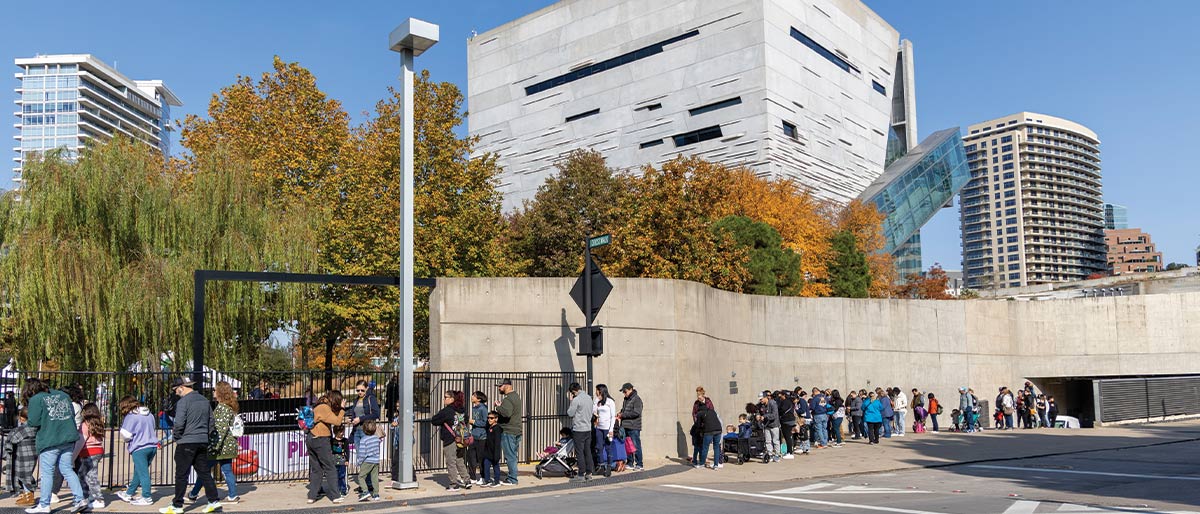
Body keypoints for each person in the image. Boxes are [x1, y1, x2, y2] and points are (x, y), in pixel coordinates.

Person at [23, 378, 86, 514]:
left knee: (47, 473)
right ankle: (80, 498)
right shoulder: (63, 395)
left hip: (49, 439)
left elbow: (33, 421)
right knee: (67, 469)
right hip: (68, 437)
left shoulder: (36, 399)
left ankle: (44, 504)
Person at [160, 377, 221, 514]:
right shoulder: (205, 401)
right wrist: (206, 435)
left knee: (181, 474)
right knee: (204, 472)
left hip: (186, 441)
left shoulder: (183, 402)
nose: (175, 393)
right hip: (202, 441)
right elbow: (211, 422)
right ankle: (214, 501)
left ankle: (177, 505)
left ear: (181, 387)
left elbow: (179, 423)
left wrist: (177, 437)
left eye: (176, 390)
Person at [188, 381, 240, 503]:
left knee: (204, 470)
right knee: (227, 470)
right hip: (228, 445)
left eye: (215, 390)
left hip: (219, 446)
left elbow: (220, 430)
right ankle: (233, 494)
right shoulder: (230, 407)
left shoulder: (222, 408)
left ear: (220, 392)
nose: (213, 392)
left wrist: (214, 445)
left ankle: (193, 494)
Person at [116, 396, 157, 506]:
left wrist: (129, 440)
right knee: (139, 472)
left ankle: (147, 497)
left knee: (143, 473)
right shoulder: (150, 415)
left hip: (139, 448)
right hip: (152, 446)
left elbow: (125, 435)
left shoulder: (131, 416)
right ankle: (129, 493)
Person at [305, 390, 345, 504]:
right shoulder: (324, 408)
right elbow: (337, 422)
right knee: (330, 467)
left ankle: (312, 496)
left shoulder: (319, 405)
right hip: (321, 439)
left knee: (316, 469)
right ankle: (336, 496)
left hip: (311, 438)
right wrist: (342, 409)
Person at [431, 390, 471, 491]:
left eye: (446, 397)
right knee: (460, 460)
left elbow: (434, 420)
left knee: (451, 462)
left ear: (452, 399)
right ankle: (467, 481)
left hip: (450, 439)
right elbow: (466, 420)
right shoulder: (462, 410)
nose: (444, 399)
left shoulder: (446, 411)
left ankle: (454, 484)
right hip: (461, 439)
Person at [76, 403, 106, 510]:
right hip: (98, 450)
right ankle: (88, 496)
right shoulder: (98, 423)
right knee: (84, 474)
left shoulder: (85, 425)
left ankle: (98, 499)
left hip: (88, 452)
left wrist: (74, 455)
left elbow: (81, 441)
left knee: (89, 476)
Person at [494, 379, 522, 485]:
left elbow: (506, 413)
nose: (499, 388)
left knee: (510, 456)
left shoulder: (508, 399)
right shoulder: (516, 396)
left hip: (508, 431)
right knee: (513, 455)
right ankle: (512, 476)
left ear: (507, 386)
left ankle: (512, 479)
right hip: (516, 430)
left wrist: (498, 407)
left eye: (500, 386)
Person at [9, 408, 38, 507]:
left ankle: (29, 496)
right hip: (33, 453)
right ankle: (27, 494)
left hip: (23, 454)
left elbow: (13, 439)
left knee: (24, 474)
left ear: (21, 418)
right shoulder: (36, 427)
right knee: (28, 473)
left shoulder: (22, 429)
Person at [565, 383, 594, 482]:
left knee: (579, 452)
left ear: (573, 391)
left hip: (579, 429)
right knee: (587, 451)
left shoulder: (576, 400)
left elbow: (570, 413)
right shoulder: (589, 398)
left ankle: (581, 474)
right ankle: (589, 473)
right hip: (588, 428)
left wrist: (571, 401)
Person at [617, 383, 644, 471]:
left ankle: (639, 464)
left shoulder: (637, 399)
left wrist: (623, 415)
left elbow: (636, 413)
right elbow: (624, 410)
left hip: (634, 426)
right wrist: (620, 413)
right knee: (627, 445)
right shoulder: (626, 399)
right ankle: (630, 462)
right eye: (623, 392)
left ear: (630, 389)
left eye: (625, 391)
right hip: (625, 426)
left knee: (636, 445)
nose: (624, 394)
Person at [593, 384, 618, 474]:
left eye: (597, 390)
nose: (596, 392)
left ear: (601, 390)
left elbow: (613, 416)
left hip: (607, 428)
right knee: (599, 447)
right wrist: (596, 402)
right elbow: (594, 412)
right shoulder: (598, 401)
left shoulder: (610, 402)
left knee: (608, 448)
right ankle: (601, 465)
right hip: (599, 427)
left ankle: (609, 466)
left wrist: (611, 429)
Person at [348, 380, 380, 449]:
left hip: (366, 431)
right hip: (356, 431)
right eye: (358, 390)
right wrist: (351, 419)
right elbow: (355, 414)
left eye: (362, 390)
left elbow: (376, 414)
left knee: (366, 455)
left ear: (366, 388)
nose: (360, 392)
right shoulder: (356, 400)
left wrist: (360, 419)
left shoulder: (371, 398)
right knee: (359, 456)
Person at [355, 420, 382, 501]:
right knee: (374, 478)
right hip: (376, 460)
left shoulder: (363, 440)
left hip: (367, 461)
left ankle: (365, 491)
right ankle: (376, 494)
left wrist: (359, 462)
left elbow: (362, 453)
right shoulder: (376, 439)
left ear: (364, 430)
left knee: (361, 477)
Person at [466, 391, 488, 485]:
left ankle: (483, 477)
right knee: (471, 457)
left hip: (482, 437)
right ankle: (472, 477)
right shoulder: (474, 408)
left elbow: (485, 422)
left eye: (474, 396)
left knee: (481, 458)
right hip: (473, 436)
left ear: (478, 399)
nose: (472, 397)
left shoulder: (483, 409)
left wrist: (473, 422)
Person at [692, 401, 721, 469]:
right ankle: (716, 465)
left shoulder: (699, 413)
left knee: (705, 448)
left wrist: (699, 431)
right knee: (716, 447)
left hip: (709, 431)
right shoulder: (712, 411)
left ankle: (702, 464)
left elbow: (698, 425)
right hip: (718, 429)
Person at [480, 411, 503, 487]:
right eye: (488, 418)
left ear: (496, 419)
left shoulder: (497, 429)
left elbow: (497, 443)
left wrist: (496, 454)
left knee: (495, 466)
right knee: (486, 465)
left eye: (491, 418)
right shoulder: (489, 427)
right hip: (488, 451)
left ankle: (497, 481)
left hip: (494, 451)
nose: (489, 419)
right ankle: (487, 480)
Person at [757, 391, 780, 462]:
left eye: (761, 399)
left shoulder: (773, 403)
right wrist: (758, 415)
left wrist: (765, 416)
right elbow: (758, 410)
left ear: (765, 397)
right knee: (768, 441)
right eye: (759, 399)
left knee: (775, 441)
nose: (760, 400)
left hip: (774, 425)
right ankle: (769, 455)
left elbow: (774, 415)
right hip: (766, 425)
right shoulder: (761, 405)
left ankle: (777, 455)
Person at [776, 391, 797, 460]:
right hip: (791, 420)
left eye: (781, 395)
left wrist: (779, 411)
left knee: (787, 437)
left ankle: (789, 452)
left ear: (784, 395)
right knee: (789, 437)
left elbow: (782, 410)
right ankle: (790, 451)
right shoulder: (791, 401)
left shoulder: (785, 402)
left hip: (786, 420)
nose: (780, 397)